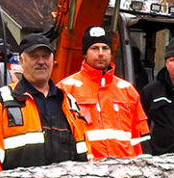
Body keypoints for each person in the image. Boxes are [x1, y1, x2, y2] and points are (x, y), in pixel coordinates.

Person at [0, 33, 90, 172]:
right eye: (34, 56)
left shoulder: (68, 104)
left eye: (46, 56)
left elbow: (84, 157)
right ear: (21, 60)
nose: (41, 61)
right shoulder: (2, 103)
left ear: (53, 59)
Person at [58, 25, 150, 158]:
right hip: (86, 171)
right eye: (94, 48)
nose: (101, 53)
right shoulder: (66, 89)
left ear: (111, 52)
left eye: (105, 48)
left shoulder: (127, 90)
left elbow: (141, 137)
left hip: (124, 170)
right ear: (85, 53)